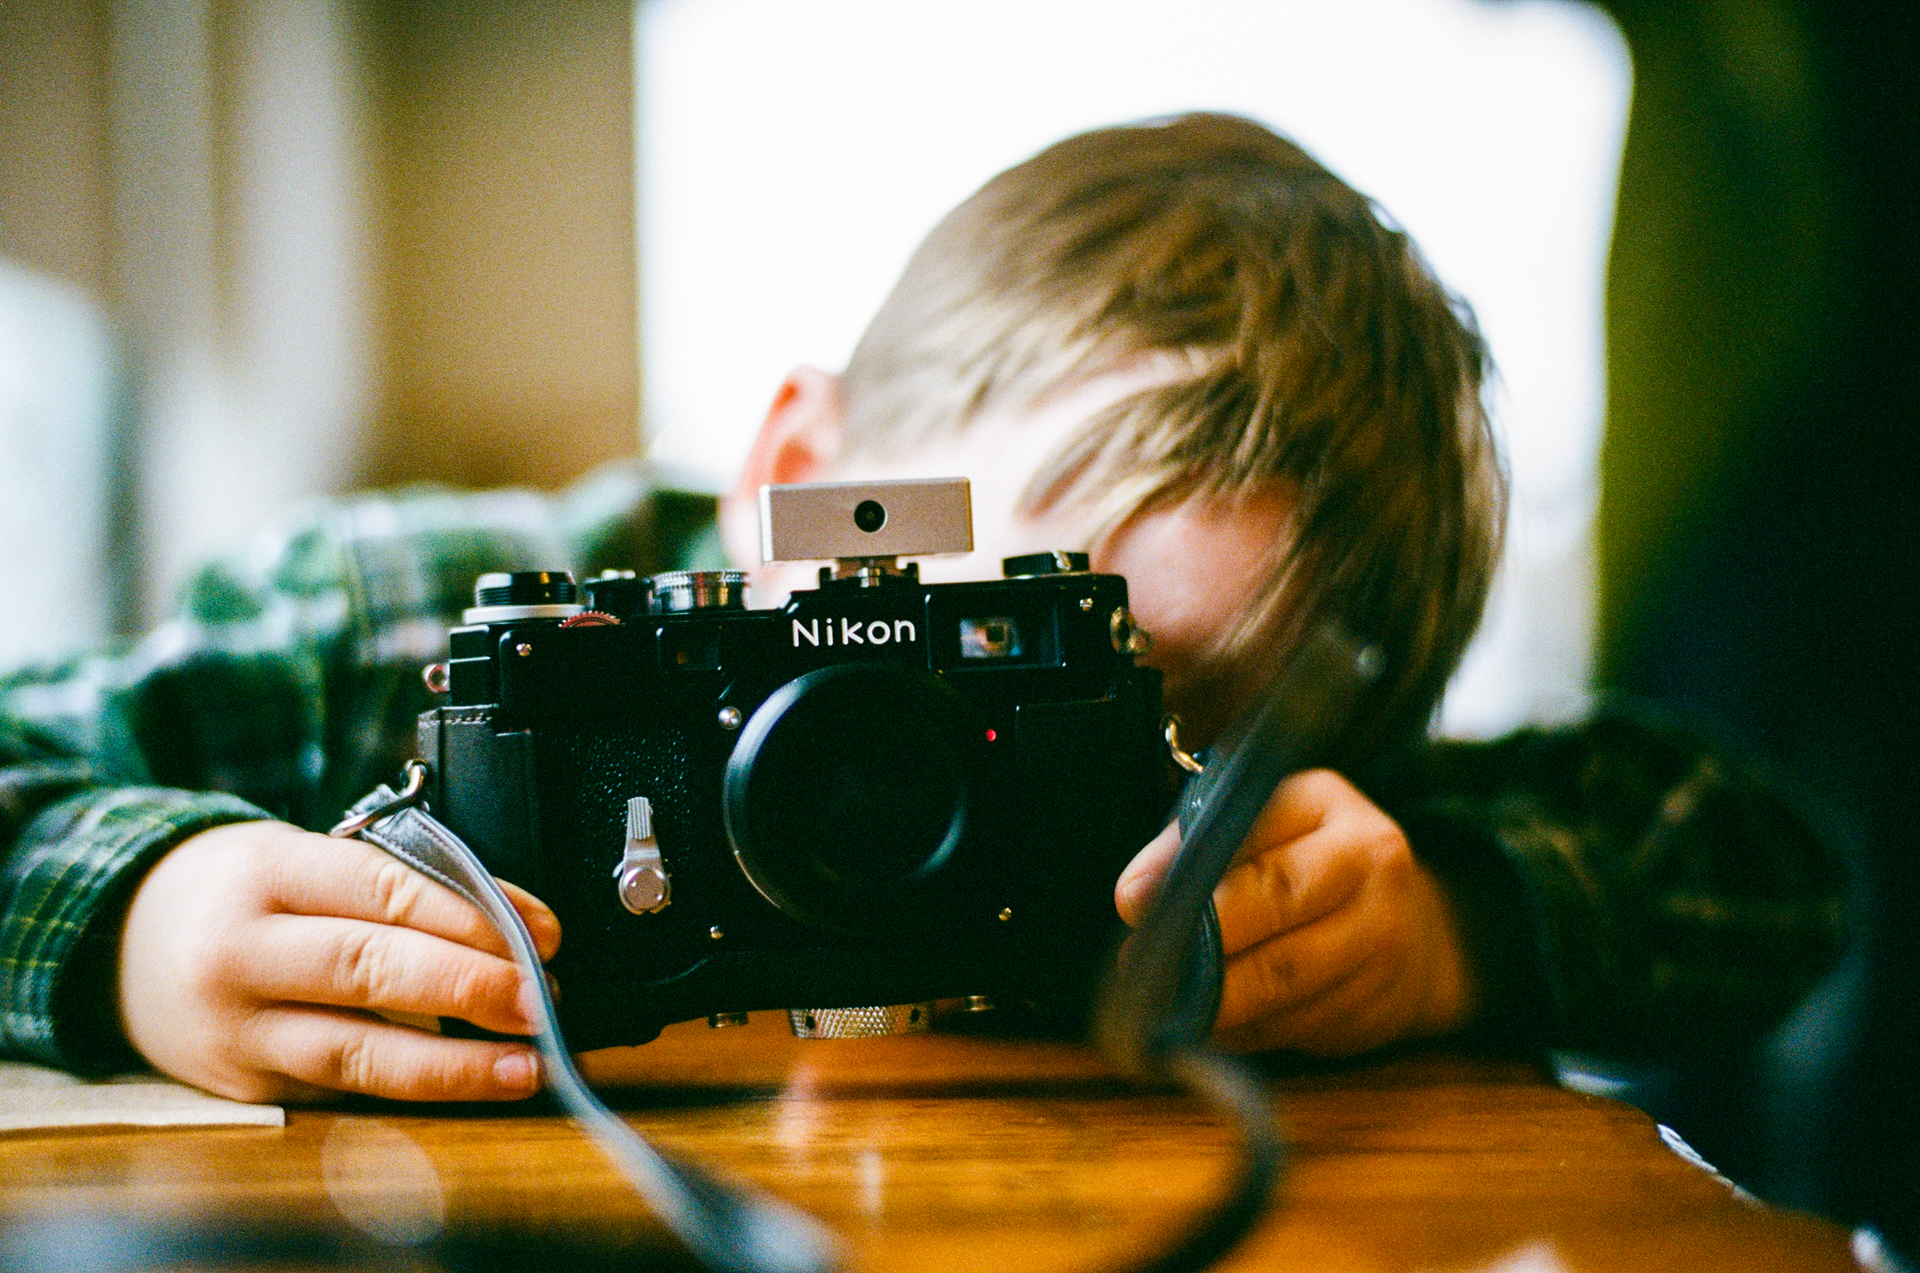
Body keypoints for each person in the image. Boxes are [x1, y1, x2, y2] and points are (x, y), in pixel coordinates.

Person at [0, 113, 1843, 1105]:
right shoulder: (434, 640)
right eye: (1005, 626)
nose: (910, 764)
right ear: (800, 466)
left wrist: (1447, 925)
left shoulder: (1272, 801)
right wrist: (142, 927)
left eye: (1124, 720)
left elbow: (1759, 862)